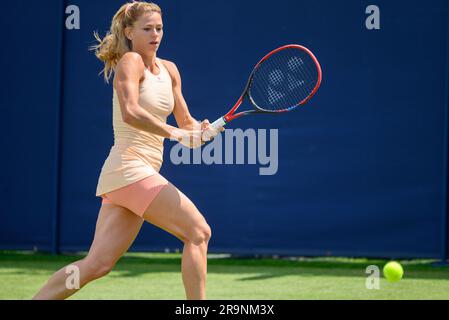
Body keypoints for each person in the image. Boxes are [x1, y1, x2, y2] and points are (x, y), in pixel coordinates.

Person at [33, 1, 222, 300]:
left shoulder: (170, 71)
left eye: (159, 28)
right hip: (129, 168)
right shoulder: (130, 62)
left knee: (97, 265)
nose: (155, 34)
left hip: (129, 177)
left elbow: (186, 122)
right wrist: (175, 134)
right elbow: (131, 111)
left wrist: (201, 131)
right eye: (147, 29)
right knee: (199, 232)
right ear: (129, 31)